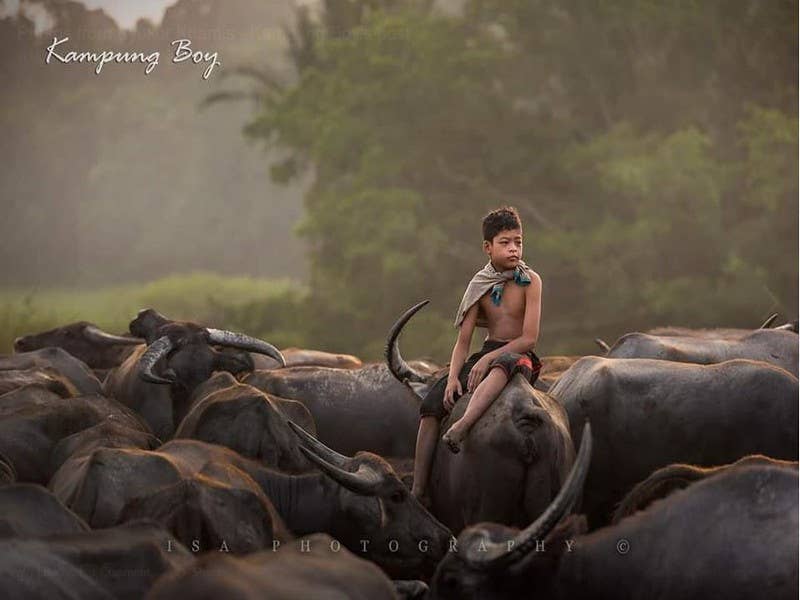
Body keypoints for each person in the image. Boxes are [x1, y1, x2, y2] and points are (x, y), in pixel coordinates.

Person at [410, 206, 543, 506]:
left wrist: (488, 359)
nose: (513, 248)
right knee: (431, 405)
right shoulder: (479, 286)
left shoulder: (531, 281)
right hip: (487, 349)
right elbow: (463, 342)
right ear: (487, 247)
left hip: (519, 354)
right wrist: (452, 379)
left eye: (518, 242)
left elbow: (529, 337)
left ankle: (463, 426)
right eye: (505, 242)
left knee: (500, 365)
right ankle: (418, 488)